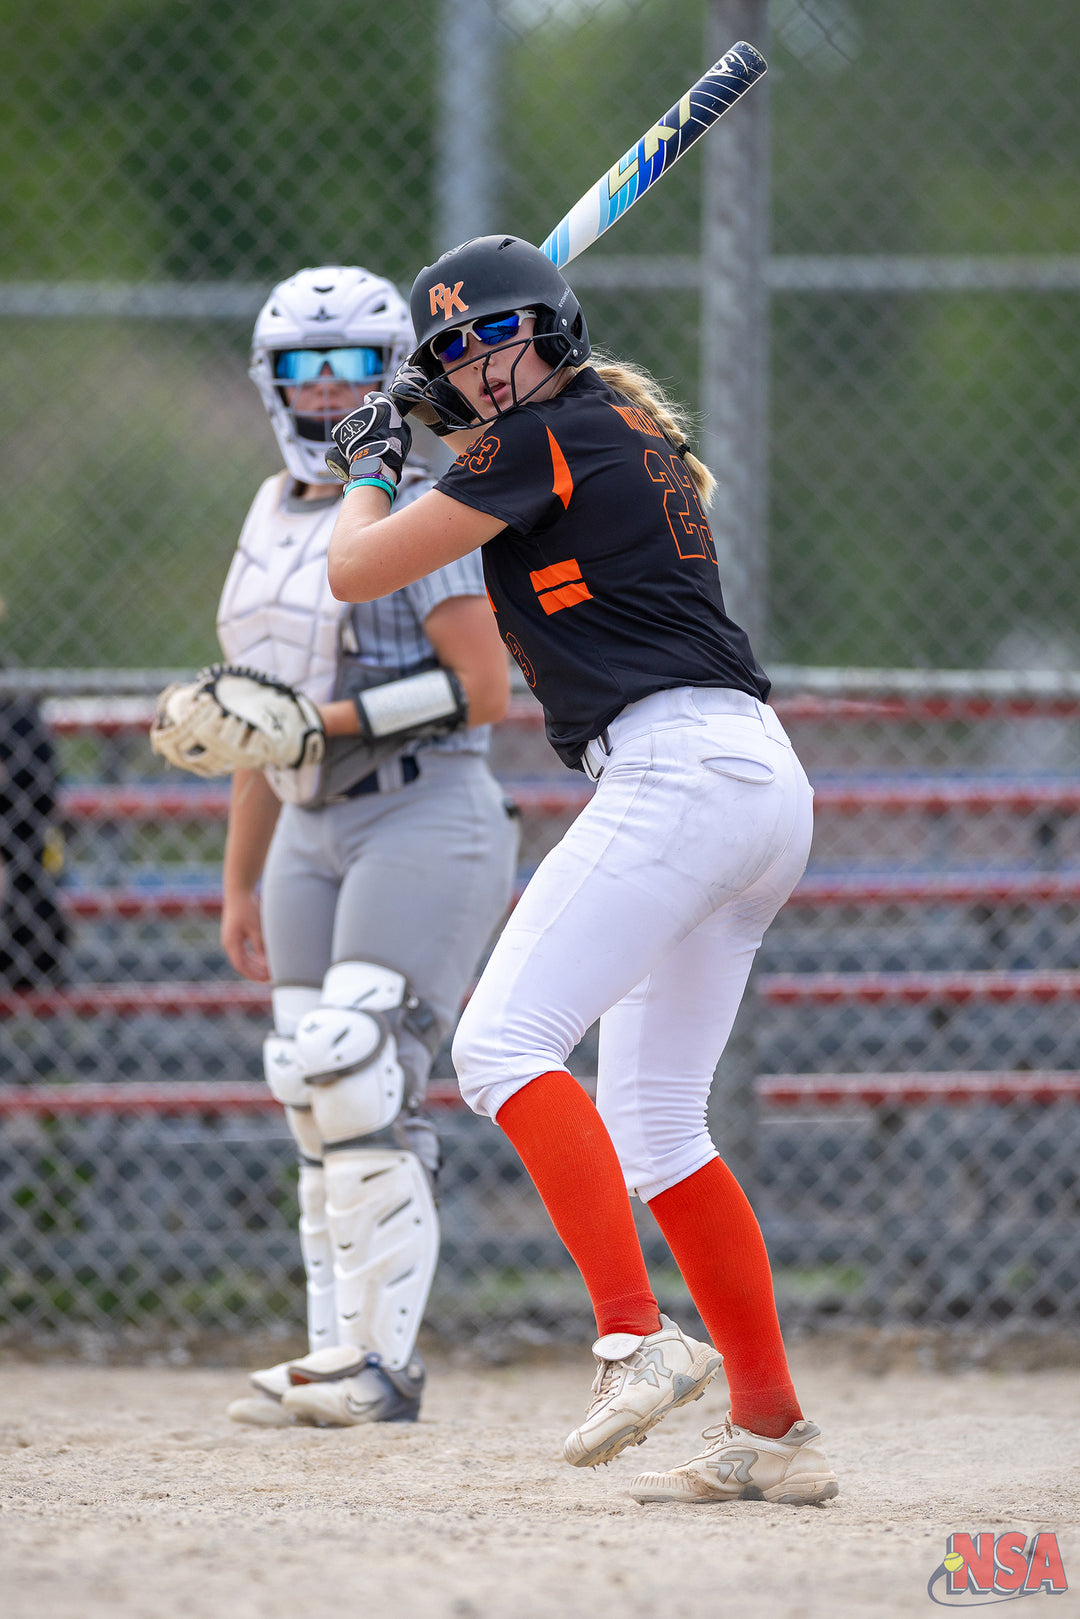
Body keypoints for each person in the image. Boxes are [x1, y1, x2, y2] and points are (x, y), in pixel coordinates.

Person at [323, 234, 839, 1504]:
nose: (482, 372)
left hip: (679, 772)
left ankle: (632, 1333)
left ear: (553, 331)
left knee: (501, 1047)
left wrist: (372, 468)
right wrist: (416, 451)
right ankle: (770, 1428)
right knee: (657, 1123)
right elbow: (480, 498)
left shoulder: (541, 435)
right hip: (750, 782)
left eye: (497, 339)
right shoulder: (593, 426)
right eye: (455, 356)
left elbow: (351, 569)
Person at [215, 265, 520, 1427]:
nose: (328, 384)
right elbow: (263, 708)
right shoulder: (267, 508)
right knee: (306, 1083)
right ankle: (331, 1352)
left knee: (359, 1067)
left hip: (420, 803)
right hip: (305, 818)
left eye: (353, 362)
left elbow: (482, 688)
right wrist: (240, 872)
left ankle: (387, 1367)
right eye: (305, 363)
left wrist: (323, 724)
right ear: (272, 378)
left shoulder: (417, 500)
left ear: (394, 371)